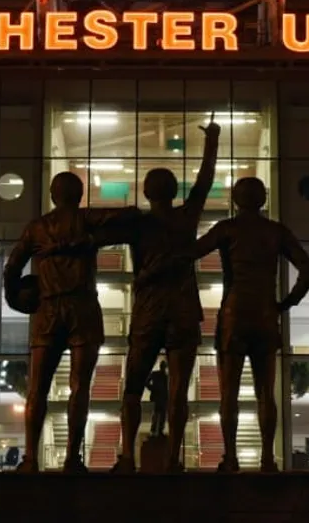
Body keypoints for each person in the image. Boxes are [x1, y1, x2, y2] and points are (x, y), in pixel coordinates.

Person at [141, 177, 309, 472]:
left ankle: (231, 458)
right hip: (265, 315)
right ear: (262, 199)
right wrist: (285, 304)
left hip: (234, 315)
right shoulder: (276, 231)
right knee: (266, 394)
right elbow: (307, 269)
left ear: (236, 200)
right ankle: (267, 459)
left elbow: (189, 253)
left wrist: (154, 264)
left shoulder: (227, 229)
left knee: (229, 393)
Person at [105, 112, 220, 473]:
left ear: (145, 192)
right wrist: (212, 142)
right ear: (174, 192)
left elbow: (97, 230)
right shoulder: (186, 217)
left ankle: (127, 457)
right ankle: (173, 460)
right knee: (178, 391)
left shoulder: (137, 224)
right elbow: (204, 182)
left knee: (133, 387)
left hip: (149, 310)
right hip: (182, 310)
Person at [4, 171, 140, 473]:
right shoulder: (86, 218)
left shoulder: (36, 228)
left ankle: (30, 458)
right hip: (83, 308)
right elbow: (127, 215)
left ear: (53, 196)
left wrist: (16, 299)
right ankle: (72, 459)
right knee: (80, 387)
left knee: (37, 389)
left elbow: (11, 268)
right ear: (79, 196)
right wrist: (92, 239)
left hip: (48, 310)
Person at [146, 360, 169, 437]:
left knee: (162, 415)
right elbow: (146, 382)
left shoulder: (166, 376)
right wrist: (153, 388)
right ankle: (154, 430)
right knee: (157, 414)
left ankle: (159, 430)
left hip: (163, 398)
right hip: (157, 397)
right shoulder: (155, 374)